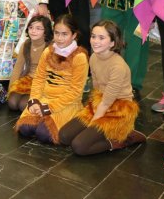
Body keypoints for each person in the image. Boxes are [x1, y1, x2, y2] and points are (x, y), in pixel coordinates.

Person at [59, 20, 146, 155]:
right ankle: (102, 135)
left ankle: (123, 138)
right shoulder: (94, 57)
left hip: (118, 110)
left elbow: (107, 102)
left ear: (112, 42)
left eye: (101, 38)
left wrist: (92, 124)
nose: (95, 41)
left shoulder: (118, 67)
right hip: (101, 103)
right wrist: (91, 113)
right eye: (93, 36)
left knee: (79, 146)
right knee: (64, 136)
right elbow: (97, 89)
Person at [15, 14, 88, 144]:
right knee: (24, 129)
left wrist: (48, 107)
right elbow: (38, 79)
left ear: (74, 35)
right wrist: (34, 101)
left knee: (44, 134)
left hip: (64, 103)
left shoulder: (79, 57)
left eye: (64, 34)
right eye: (56, 33)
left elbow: (75, 92)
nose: (59, 38)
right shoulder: (48, 52)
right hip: (44, 98)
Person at [7, 15, 53, 112]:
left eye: (38, 28)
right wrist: (10, 89)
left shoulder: (50, 47)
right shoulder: (26, 44)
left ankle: (35, 100)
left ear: (46, 31)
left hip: (42, 82)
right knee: (12, 103)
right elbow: (17, 68)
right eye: (31, 27)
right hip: (27, 80)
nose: (33, 31)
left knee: (23, 105)